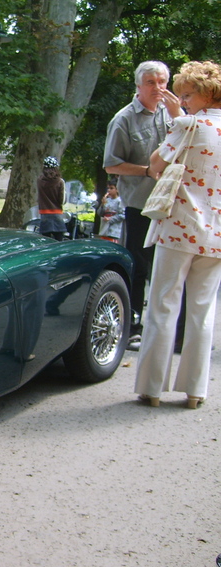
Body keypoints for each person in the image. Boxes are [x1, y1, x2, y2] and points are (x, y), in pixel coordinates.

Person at [134, 60, 221, 409]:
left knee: (163, 305)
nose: (181, 101)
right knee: (202, 311)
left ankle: (152, 388)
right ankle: (195, 391)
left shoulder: (189, 124)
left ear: (205, 94)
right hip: (216, 235)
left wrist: (176, 119)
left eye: (186, 95)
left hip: (179, 228)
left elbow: (156, 164)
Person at [103, 61, 183, 349]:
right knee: (138, 266)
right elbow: (111, 164)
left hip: (175, 204)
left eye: (162, 82)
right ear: (138, 86)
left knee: (174, 268)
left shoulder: (173, 114)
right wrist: (147, 171)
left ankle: (175, 333)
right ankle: (133, 328)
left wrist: (179, 116)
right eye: (151, 82)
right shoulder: (124, 119)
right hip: (141, 205)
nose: (158, 88)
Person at [37, 156, 66, 241]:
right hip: (57, 213)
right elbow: (62, 200)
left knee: (46, 241)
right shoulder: (60, 182)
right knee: (59, 241)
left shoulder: (39, 180)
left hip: (44, 213)